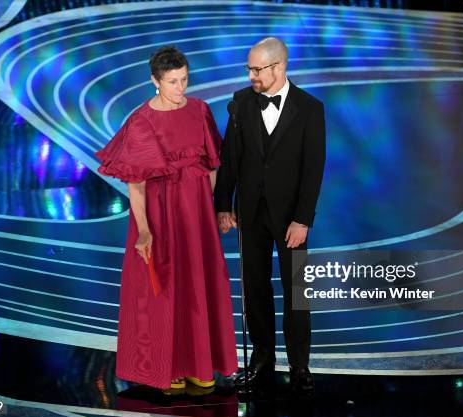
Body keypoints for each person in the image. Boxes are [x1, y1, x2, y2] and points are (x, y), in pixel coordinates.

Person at [95, 46, 237, 392]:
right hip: (161, 212)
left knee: (197, 281)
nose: (180, 88)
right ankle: (168, 366)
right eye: (173, 82)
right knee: (166, 287)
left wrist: (218, 208)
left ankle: (199, 363)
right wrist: (144, 230)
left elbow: (211, 165)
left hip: (197, 210)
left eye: (184, 79)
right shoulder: (141, 121)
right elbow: (136, 184)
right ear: (154, 81)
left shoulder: (200, 111)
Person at [215, 37, 326, 395]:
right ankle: (262, 357)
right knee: (255, 288)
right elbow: (229, 158)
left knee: (296, 291)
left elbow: (313, 169)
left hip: (292, 218)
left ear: (279, 67)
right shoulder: (241, 104)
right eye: (248, 68)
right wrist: (222, 204)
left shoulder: (310, 108)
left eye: (256, 69)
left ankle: (300, 364)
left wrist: (303, 219)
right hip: (250, 213)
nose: (251, 76)